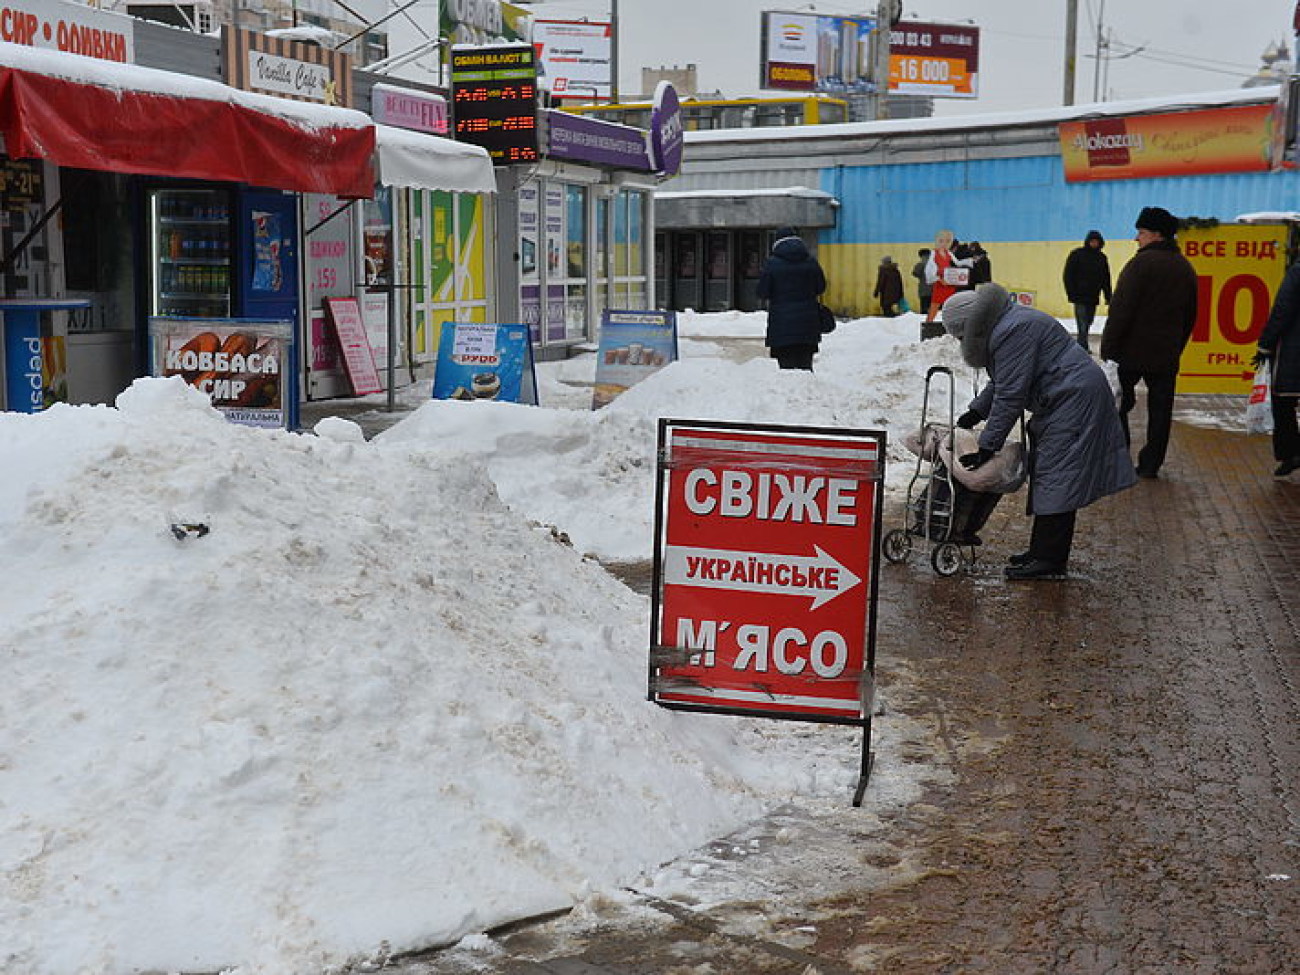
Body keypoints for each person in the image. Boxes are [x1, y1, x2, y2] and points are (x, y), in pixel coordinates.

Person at [942, 284, 1136, 580]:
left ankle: (1049, 560)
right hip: (1064, 398)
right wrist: (977, 410)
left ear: (971, 325)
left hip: (1073, 400)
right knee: (1052, 474)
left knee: (1058, 476)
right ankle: (1042, 551)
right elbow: (1005, 379)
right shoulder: (1006, 323)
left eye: (960, 335)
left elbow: (1010, 394)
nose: (960, 341)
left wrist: (987, 447)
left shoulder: (1011, 330)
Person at [1099, 207, 1199, 479]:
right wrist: (1176, 347)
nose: (1136, 239)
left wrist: (1109, 349)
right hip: (1165, 355)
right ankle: (1151, 464)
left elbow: (1121, 310)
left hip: (1129, 352)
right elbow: (1191, 315)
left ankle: (1119, 457)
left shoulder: (1139, 265)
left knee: (1117, 403)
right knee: (1160, 412)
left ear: (1156, 235)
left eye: (1141, 232)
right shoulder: (1185, 267)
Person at [756, 226, 827, 371]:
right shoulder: (810, 261)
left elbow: (762, 292)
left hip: (782, 326)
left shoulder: (772, 264)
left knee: (786, 371)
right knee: (805, 368)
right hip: (808, 324)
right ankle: (808, 393)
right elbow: (821, 287)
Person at [1255, 260, 1300, 477]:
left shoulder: (1297, 271)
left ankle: (1291, 452)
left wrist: (1265, 344)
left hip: (1294, 349)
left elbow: (1283, 309)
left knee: (1283, 401)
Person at [1062, 230, 1113, 353]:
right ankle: (1082, 346)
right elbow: (1068, 275)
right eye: (1092, 241)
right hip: (1079, 296)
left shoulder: (1101, 258)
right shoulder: (1077, 255)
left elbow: (1106, 278)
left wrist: (1108, 296)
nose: (1094, 244)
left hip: (1093, 296)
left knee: (1089, 321)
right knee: (1082, 322)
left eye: (1096, 241)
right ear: (1088, 241)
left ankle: (1082, 343)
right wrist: (1071, 293)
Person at [922, 230, 973, 340]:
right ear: (937, 241)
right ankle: (927, 326)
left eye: (947, 241)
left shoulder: (949, 253)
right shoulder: (934, 253)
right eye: (941, 241)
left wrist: (968, 262)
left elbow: (957, 263)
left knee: (951, 305)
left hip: (949, 282)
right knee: (935, 305)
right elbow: (930, 270)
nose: (944, 243)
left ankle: (950, 325)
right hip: (940, 283)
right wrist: (939, 279)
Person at [912, 248, 933, 317]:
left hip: (923, 290)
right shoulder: (934, 264)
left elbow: (915, 273)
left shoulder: (920, 264)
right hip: (934, 289)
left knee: (924, 309)